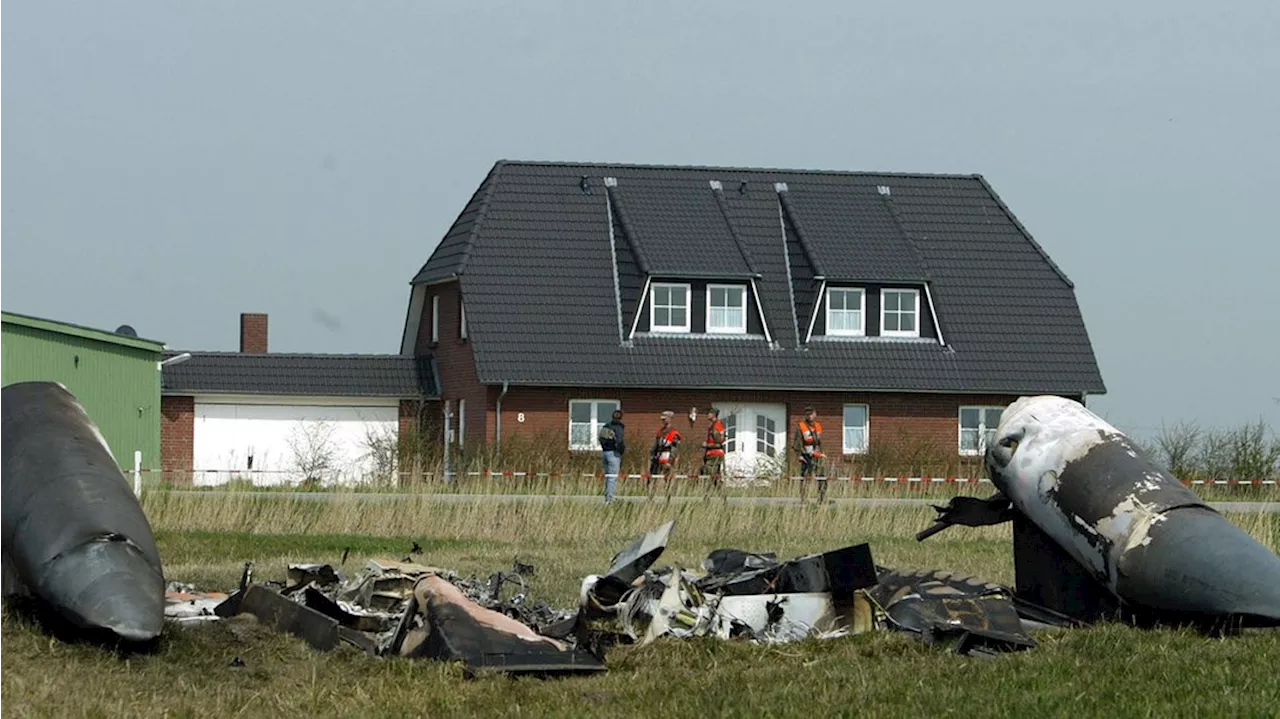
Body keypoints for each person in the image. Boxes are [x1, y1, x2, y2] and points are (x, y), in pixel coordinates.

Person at [794, 406, 827, 502]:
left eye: (811, 414)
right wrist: (799, 455)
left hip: (817, 455)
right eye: (807, 414)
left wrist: (823, 452)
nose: (809, 416)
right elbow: (797, 442)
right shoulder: (801, 426)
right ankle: (804, 498)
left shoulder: (818, 426)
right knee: (805, 477)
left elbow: (821, 441)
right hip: (806, 455)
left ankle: (821, 498)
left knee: (822, 477)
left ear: (815, 414)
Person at [649, 410, 682, 495]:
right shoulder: (660, 431)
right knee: (653, 476)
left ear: (670, 419)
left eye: (665, 419)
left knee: (667, 478)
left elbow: (674, 449)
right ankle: (651, 494)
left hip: (667, 456)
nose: (663, 421)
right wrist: (652, 454)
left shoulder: (674, 433)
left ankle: (668, 495)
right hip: (658, 456)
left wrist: (670, 461)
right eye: (662, 419)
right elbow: (656, 444)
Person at [597, 408, 626, 503]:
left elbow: (600, 438)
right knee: (613, 477)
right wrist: (621, 451)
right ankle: (610, 499)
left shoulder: (606, 426)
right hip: (614, 454)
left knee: (608, 476)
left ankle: (607, 496)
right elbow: (619, 441)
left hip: (605, 453)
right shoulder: (619, 427)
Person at [700, 407, 727, 491]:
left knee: (709, 475)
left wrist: (707, 445)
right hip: (711, 454)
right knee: (714, 476)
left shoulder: (717, 426)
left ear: (713, 414)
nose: (707, 415)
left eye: (709, 413)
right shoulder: (712, 426)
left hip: (715, 454)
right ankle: (721, 496)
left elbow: (719, 442)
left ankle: (708, 495)